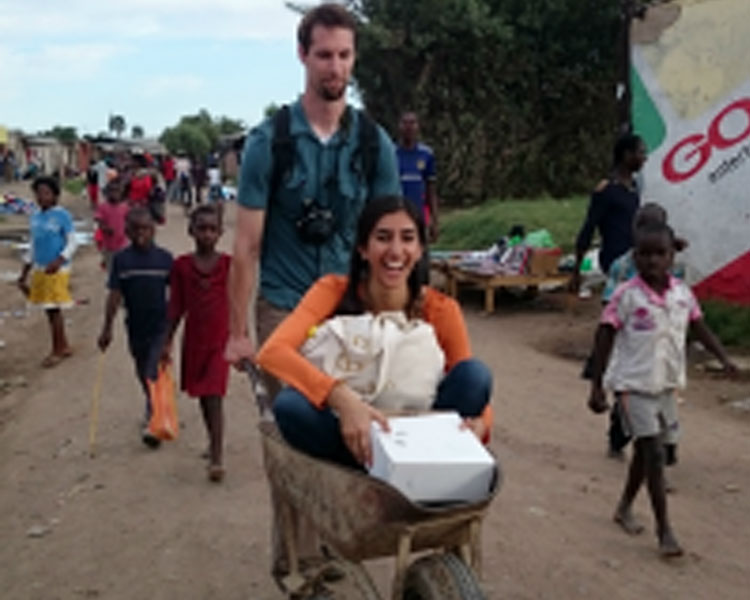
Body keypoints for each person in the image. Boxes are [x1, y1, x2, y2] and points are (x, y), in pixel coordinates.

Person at [225, 3, 401, 416]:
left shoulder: (377, 146)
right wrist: (237, 333)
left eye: (344, 55)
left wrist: (396, 320)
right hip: (284, 306)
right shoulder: (269, 143)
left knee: (365, 425)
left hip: (351, 309)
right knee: (297, 417)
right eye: (324, 55)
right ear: (303, 55)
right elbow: (247, 246)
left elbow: (390, 248)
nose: (335, 68)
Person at [257, 196, 494, 468]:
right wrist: (342, 399)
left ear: (419, 250)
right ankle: (365, 463)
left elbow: (471, 387)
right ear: (363, 248)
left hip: (417, 430)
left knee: (476, 374)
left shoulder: (440, 309)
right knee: (290, 406)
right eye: (383, 238)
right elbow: (272, 353)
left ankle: (416, 462)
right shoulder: (333, 291)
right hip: (349, 432)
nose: (395, 251)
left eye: (407, 238)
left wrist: (481, 425)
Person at [588, 221, 737, 557]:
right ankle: (664, 530)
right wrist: (597, 386)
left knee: (648, 453)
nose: (652, 260)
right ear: (635, 256)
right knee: (653, 451)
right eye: (644, 254)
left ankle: (624, 506)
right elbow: (604, 336)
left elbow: (699, 328)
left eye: (660, 254)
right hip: (632, 384)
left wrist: (724, 358)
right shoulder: (626, 295)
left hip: (666, 386)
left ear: (672, 257)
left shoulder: (683, 294)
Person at [161, 205, 231, 482]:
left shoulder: (228, 266)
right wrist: (167, 341)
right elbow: (176, 306)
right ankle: (211, 440)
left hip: (220, 342)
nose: (207, 234)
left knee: (214, 396)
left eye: (212, 229)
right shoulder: (181, 267)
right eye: (201, 228)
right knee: (203, 396)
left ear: (220, 233)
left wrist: (241, 337)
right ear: (191, 231)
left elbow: (237, 304)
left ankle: (217, 457)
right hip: (194, 341)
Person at [97, 207, 173, 448]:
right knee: (142, 369)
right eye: (136, 229)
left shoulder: (165, 259)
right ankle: (152, 402)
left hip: (160, 324)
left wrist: (174, 327)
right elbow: (115, 294)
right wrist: (107, 328)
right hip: (135, 325)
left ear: (154, 230)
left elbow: (177, 293)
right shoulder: (122, 260)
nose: (141, 234)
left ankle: (154, 419)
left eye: (146, 229)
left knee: (152, 368)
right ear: (127, 231)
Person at [571, 133, 646, 293]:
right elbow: (589, 228)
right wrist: (576, 271)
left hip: (633, 255)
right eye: (640, 153)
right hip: (616, 258)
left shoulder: (633, 188)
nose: (644, 158)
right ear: (627, 155)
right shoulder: (607, 191)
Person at [17, 176, 76, 368]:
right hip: (41, 268)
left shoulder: (62, 216)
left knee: (53, 309)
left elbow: (72, 242)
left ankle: (57, 350)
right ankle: (63, 345)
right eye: (38, 193)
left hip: (57, 269)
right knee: (48, 309)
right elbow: (33, 246)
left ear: (55, 195)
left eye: (46, 193)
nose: (42, 197)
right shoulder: (35, 217)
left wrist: (59, 260)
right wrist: (24, 272)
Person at [396, 111, 439, 241]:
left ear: (418, 127)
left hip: (418, 214)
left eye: (412, 123)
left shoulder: (426, 154)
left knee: (419, 252)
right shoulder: (391, 154)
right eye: (405, 123)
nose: (409, 127)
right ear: (399, 127)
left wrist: (434, 221)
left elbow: (430, 190)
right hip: (396, 214)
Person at [94, 177, 131, 273]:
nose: (115, 194)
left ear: (121, 193)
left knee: (123, 267)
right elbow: (98, 220)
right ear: (107, 193)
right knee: (111, 269)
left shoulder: (125, 207)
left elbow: (129, 220)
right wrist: (105, 228)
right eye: (112, 191)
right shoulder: (103, 207)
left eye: (117, 191)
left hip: (123, 243)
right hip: (109, 245)